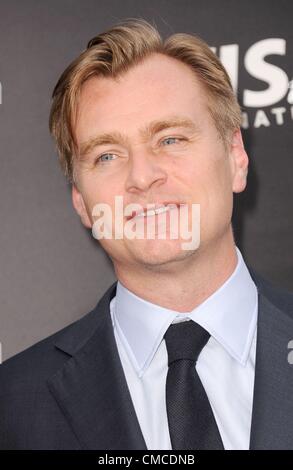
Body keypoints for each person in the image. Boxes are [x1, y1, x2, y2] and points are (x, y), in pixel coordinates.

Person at [0, 18, 292, 451]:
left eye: (170, 139)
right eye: (107, 155)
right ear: (81, 201)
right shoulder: (14, 404)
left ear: (236, 158)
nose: (142, 176)